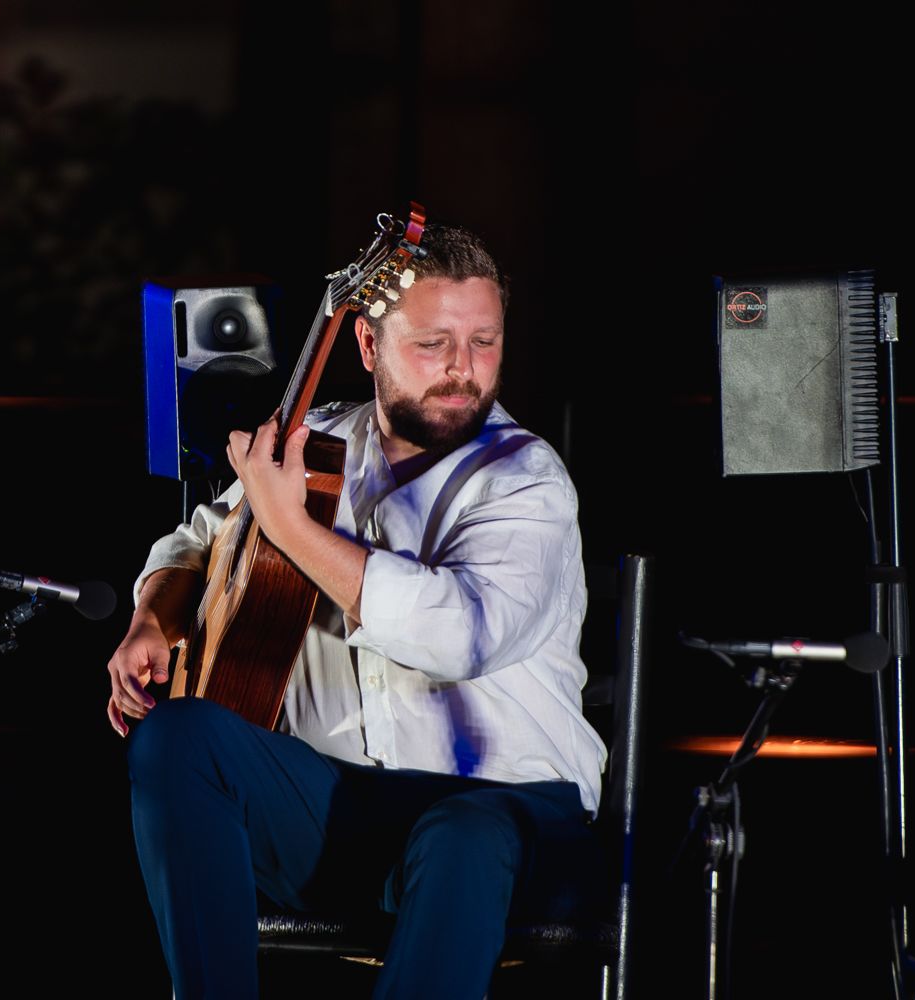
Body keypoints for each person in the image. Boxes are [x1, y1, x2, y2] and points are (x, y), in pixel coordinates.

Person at [106, 224, 607, 999]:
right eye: (433, 343)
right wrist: (152, 618)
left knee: (462, 834)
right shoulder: (317, 445)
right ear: (369, 347)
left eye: (484, 342)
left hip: (509, 813)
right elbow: (197, 541)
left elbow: (461, 632)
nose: (463, 370)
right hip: (342, 813)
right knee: (178, 739)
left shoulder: (526, 480)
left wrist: (294, 531)